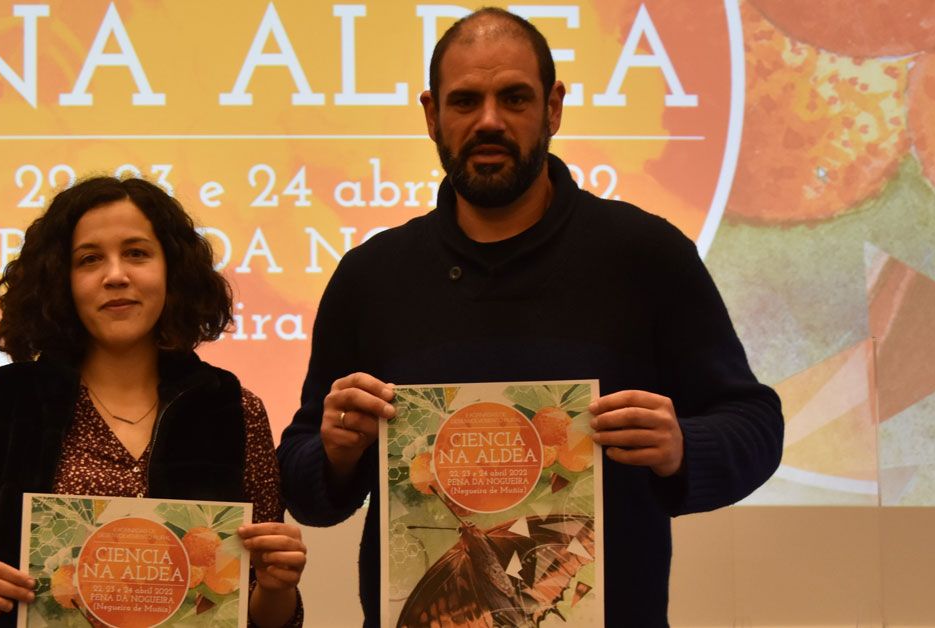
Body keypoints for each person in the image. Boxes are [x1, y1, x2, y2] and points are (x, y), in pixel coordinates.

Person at [277, 7, 783, 627]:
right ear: (432, 114)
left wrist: (684, 446)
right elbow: (306, 484)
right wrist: (335, 453)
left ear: (554, 107)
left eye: (514, 98)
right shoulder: (370, 276)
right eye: (466, 102)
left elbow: (756, 425)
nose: (489, 121)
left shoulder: (646, 255)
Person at [0, 176, 306, 627]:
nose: (116, 275)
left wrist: (279, 586)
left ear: (173, 272)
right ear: (61, 281)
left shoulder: (233, 409)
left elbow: (264, 615)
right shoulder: (3, 402)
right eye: (89, 259)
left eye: (137, 253)